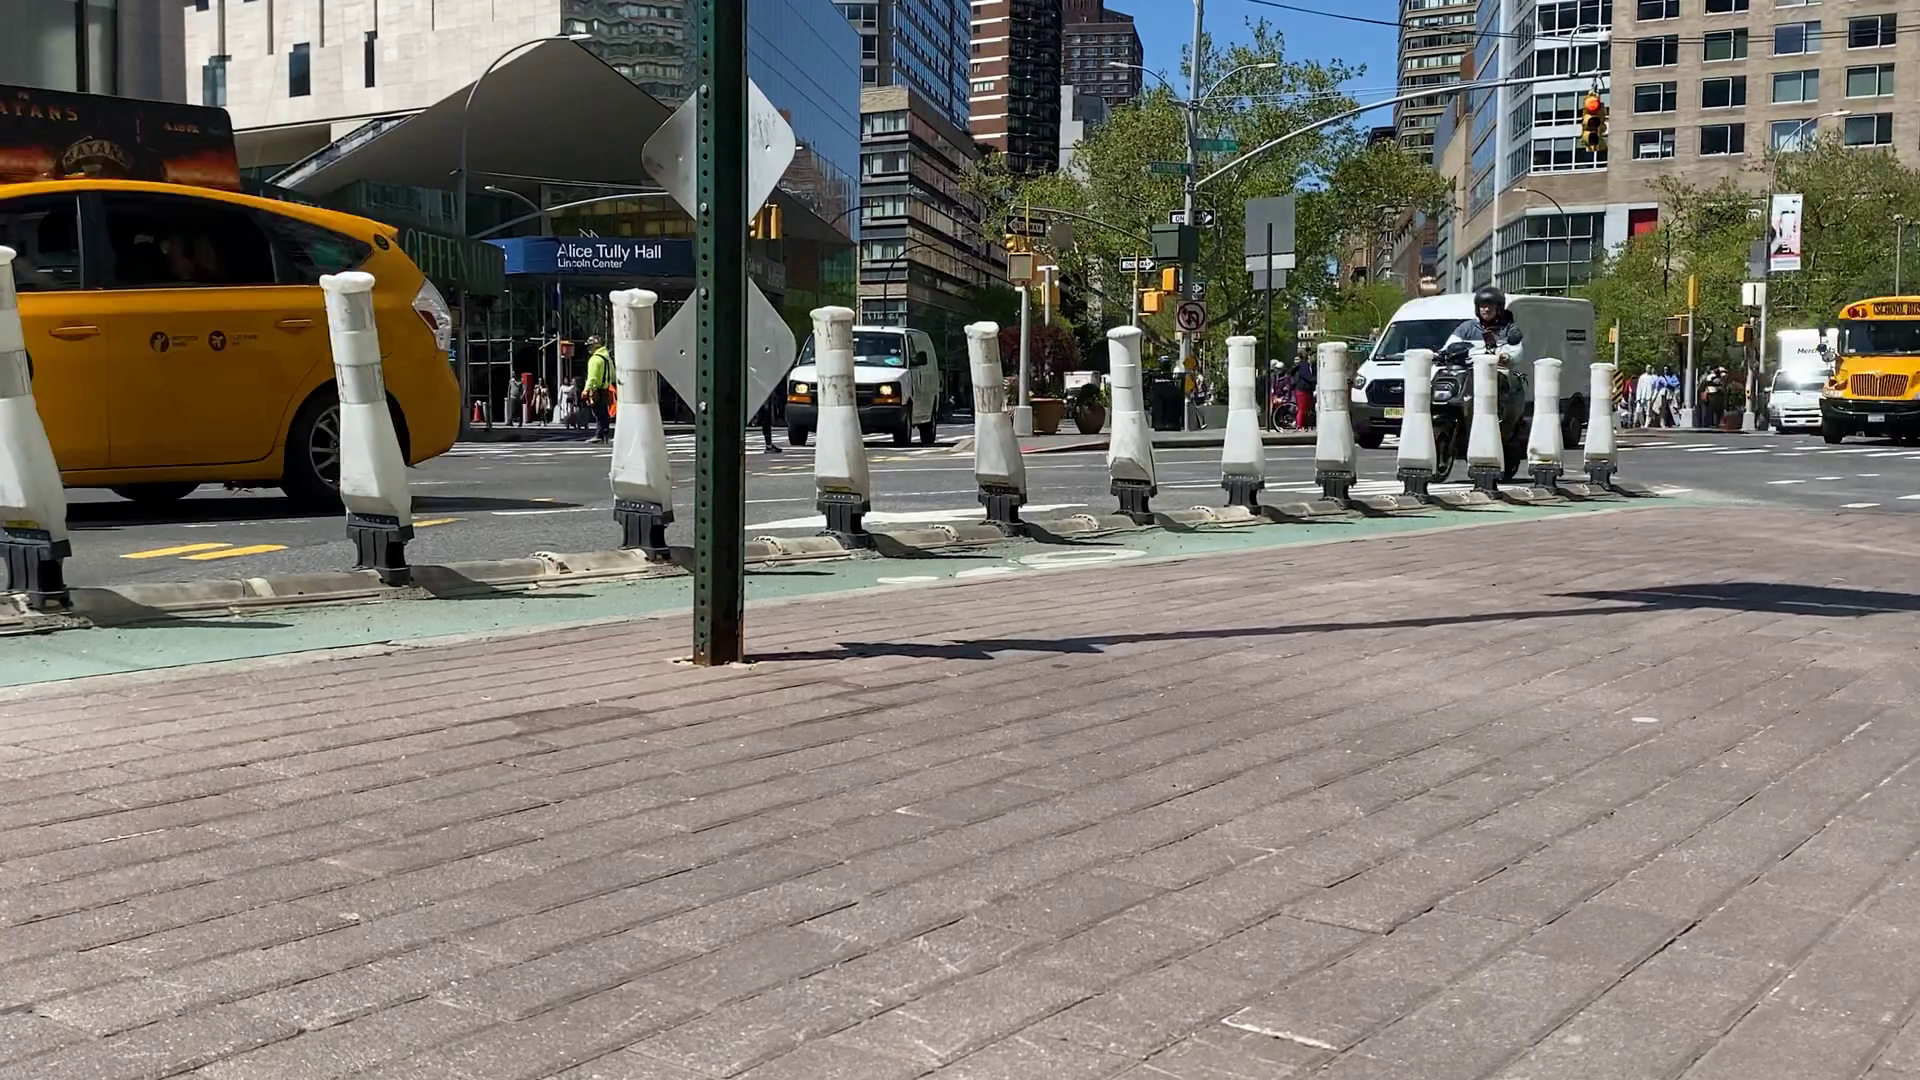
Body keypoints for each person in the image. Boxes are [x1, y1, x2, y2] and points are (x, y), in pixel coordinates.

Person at [1447, 285, 1524, 355]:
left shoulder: (1509, 329)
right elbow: (1448, 348)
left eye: (1491, 305)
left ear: (1499, 308)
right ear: (1478, 308)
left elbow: (1517, 353)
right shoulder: (1466, 328)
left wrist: (1508, 355)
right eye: (1483, 305)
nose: (1487, 309)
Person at [583, 336, 613, 444]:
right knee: (604, 412)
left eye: (590, 346)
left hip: (596, 389)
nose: (588, 349)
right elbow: (613, 374)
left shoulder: (595, 359)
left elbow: (592, 377)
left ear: (595, 346)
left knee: (598, 413)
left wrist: (587, 389)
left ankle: (599, 435)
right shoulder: (607, 359)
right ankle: (605, 433)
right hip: (605, 388)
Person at [1290, 350, 1317, 431]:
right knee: (1302, 408)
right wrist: (1316, 380)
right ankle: (1300, 426)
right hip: (1302, 389)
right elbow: (1307, 377)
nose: (1314, 358)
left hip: (1308, 390)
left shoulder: (1311, 366)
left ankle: (1305, 426)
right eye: (1313, 356)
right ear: (1308, 357)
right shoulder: (1303, 366)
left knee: (1307, 409)